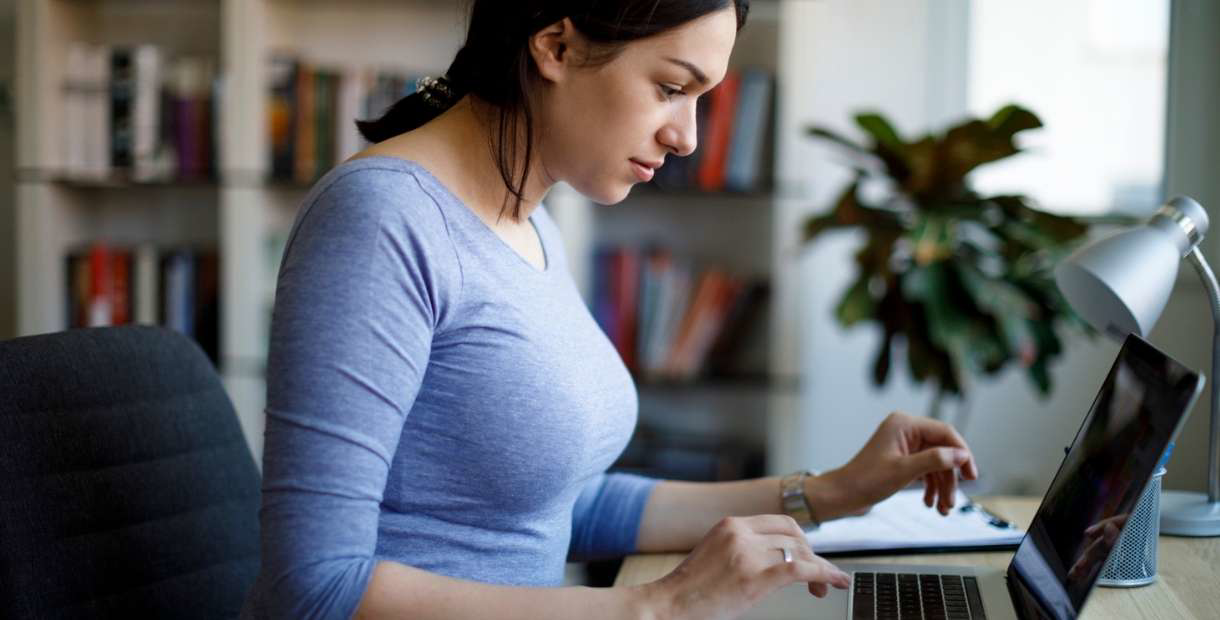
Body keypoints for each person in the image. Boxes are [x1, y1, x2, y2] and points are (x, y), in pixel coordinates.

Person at [239, 2, 980, 619]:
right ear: (556, 45)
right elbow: (315, 585)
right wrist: (658, 605)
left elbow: (560, 501)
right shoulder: (382, 221)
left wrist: (829, 492)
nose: (687, 137)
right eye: (670, 88)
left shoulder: (527, 220)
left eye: (701, 100)